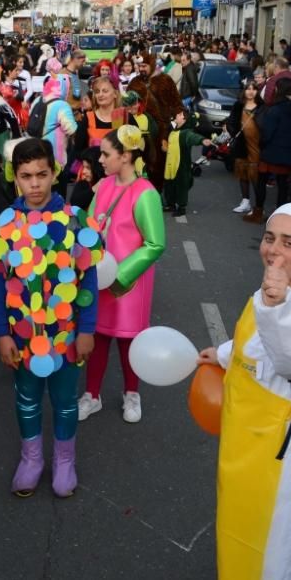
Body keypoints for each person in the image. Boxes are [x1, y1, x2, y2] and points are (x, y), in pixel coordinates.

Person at [197, 203, 291, 580]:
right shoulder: (275, 291)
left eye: (289, 242)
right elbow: (256, 343)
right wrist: (223, 353)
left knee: (277, 559)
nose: (273, 249)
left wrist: (277, 306)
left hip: (286, 459)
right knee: (241, 542)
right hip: (250, 446)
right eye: (269, 238)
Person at [0, 138, 100, 497]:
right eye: (25, 176)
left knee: (65, 400)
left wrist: (87, 329)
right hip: (22, 334)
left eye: (41, 175)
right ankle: (31, 459)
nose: (34, 184)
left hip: (66, 333)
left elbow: (89, 281)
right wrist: (2, 333)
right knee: (27, 398)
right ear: (14, 177)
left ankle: (65, 461)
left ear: (54, 173)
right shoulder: (4, 225)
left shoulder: (76, 221)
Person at [77, 126, 165, 423]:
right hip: (100, 279)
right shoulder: (102, 187)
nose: (100, 159)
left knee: (129, 340)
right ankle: (92, 395)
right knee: (98, 336)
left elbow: (155, 244)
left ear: (126, 156)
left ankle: (132, 394)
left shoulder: (146, 193)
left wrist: (119, 275)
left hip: (129, 283)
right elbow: (89, 227)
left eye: (105, 154)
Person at [245, 77, 291, 224]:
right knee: (283, 185)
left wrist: (262, 145)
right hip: (289, 151)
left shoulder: (275, 110)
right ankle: (280, 215)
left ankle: (258, 212)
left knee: (261, 181)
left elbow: (267, 133)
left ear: (278, 90)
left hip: (271, 152)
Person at [162, 111, 213, 217]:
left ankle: (181, 207)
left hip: (181, 165)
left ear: (185, 120)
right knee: (169, 184)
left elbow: (192, 137)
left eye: (180, 115)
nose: (177, 115)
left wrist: (202, 140)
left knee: (181, 185)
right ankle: (170, 204)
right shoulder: (173, 131)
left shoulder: (185, 133)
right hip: (170, 164)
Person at [226, 81, 264, 216]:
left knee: (256, 176)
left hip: (257, 144)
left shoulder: (262, 107)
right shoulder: (238, 105)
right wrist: (235, 133)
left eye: (254, 89)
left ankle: (259, 206)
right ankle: (245, 201)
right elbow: (231, 122)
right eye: (248, 88)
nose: (251, 91)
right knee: (243, 172)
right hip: (242, 143)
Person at [69, 146, 104, 210]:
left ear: (98, 167)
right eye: (84, 167)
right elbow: (74, 202)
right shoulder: (83, 183)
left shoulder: (107, 184)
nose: (84, 171)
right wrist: (93, 189)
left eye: (88, 168)